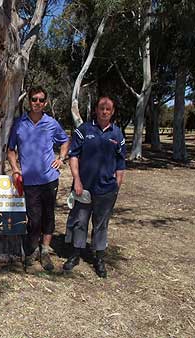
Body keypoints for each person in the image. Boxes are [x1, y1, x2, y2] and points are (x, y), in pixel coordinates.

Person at [7, 86, 70, 271]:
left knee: (48, 216)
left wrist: (61, 158)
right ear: (29, 101)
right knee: (33, 218)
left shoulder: (51, 123)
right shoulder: (19, 124)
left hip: (50, 179)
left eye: (41, 100)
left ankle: (44, 251)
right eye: (34, 99)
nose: (37, 103)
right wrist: (15, 169)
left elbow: (65, 141)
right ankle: (32, 249)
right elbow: (11, 150)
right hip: (29, 181)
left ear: (46, 102)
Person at [63, 96, 126, 278]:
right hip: (84, 188)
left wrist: (116, 187)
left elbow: (121, 164)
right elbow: (73, 155)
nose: (104, 112)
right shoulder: (84, 130)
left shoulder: (117, 134)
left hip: (106, 190)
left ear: (112, 112)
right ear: (96, 110)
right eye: (101, 108)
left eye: (108, 109)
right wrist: (77, 180)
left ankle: (99, 258)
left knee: (101, 225)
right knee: (80, 222)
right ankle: (75, 255)